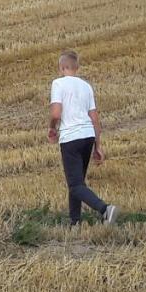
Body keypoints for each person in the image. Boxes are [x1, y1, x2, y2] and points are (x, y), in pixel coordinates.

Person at [48, 50, 118, 226]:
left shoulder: (58, 83)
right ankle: (75, 222)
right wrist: (98, 146)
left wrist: (52, 128)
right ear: (77, 68)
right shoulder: (86, 86)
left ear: (61, 67)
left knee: (75, 185)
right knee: (77, 182)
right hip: (88, 136)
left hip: (71, 137)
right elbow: (94, 118)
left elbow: (56, 113)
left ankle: (105, 209)